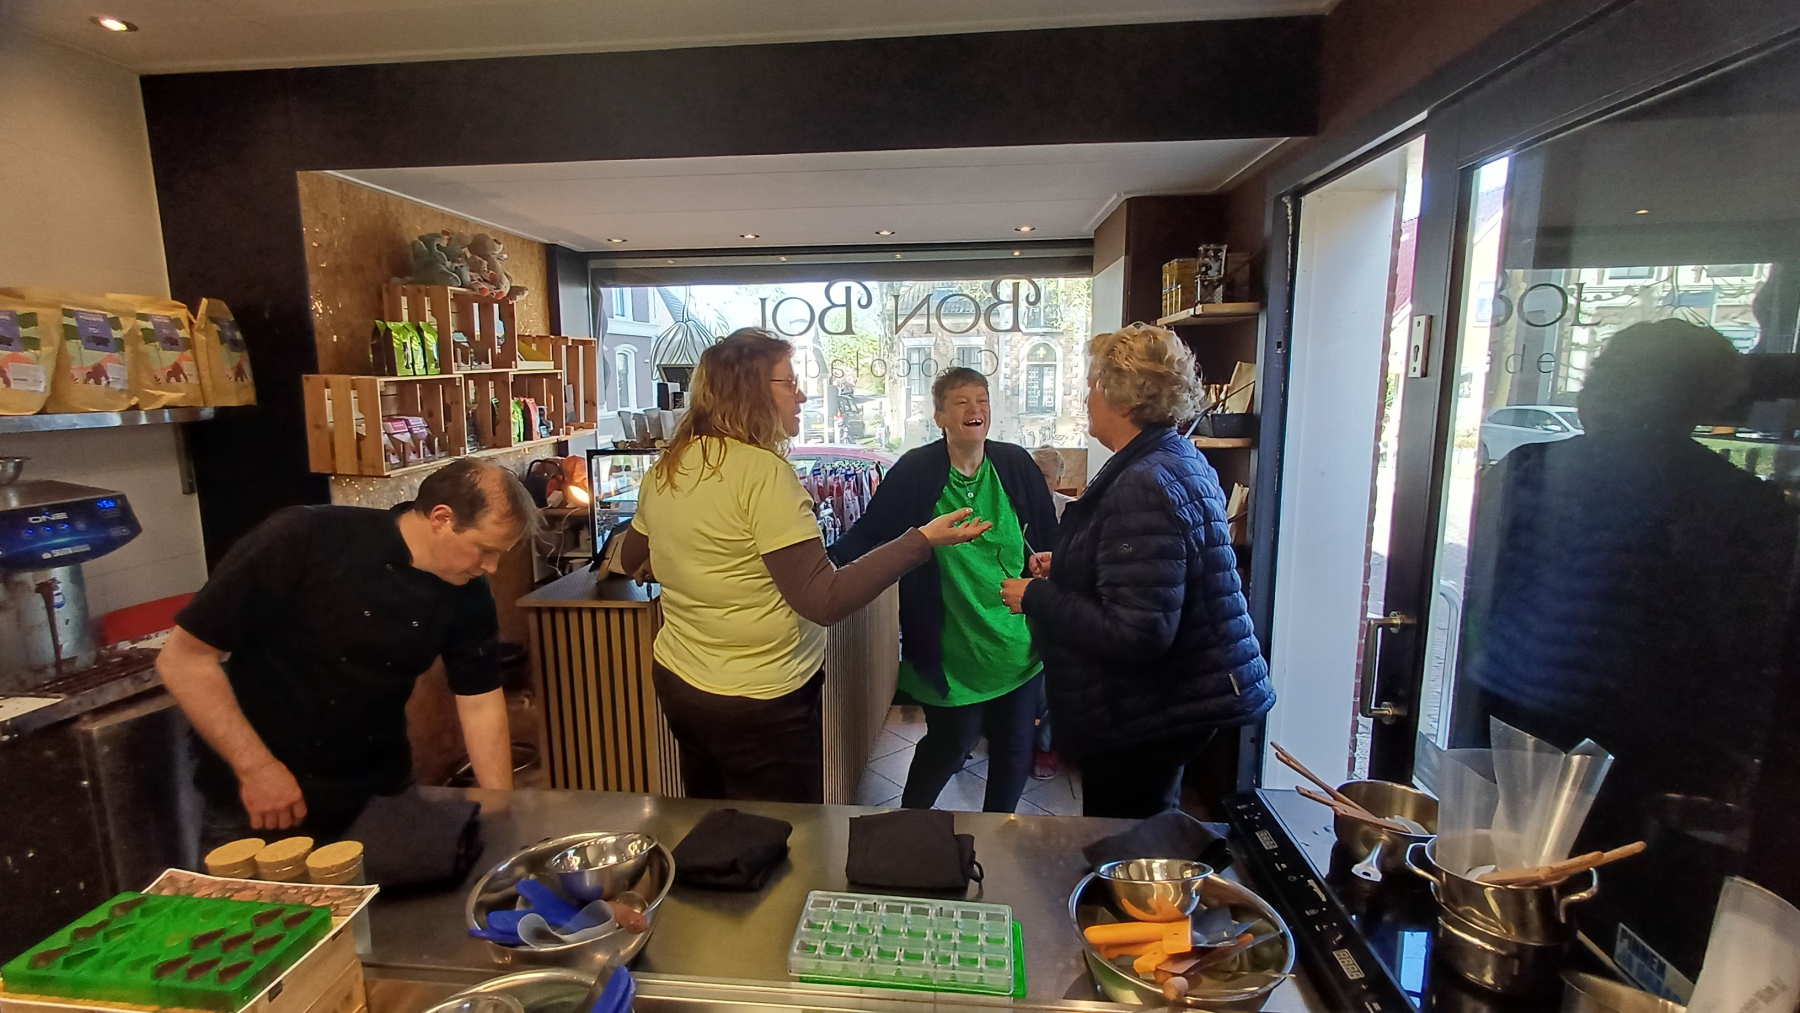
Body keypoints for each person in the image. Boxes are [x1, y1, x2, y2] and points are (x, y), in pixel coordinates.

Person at [622, 329, 989, 803]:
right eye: (789, 383)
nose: (802, 395)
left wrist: (691, 557)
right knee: (785, 833)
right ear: (750, 391)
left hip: (680, 681)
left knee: (712, 818)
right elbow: (823, 599)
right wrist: (921, 540)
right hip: (761, 699)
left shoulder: (670, 465)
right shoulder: (763, 474)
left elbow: (632, 557)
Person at [157, 459, 537, 845]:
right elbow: (184, 660)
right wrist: (256, 769)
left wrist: (498, 810)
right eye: (485, 549)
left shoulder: (469, 592)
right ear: (442, 518)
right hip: (260, 798)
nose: (492, 567)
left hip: (380, 796)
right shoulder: (302, 537)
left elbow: (480, 702)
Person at [1001, 322, 1272, 818]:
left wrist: (1035, 597)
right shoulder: (1174, 456)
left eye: (1090, 386)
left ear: (1120, 395)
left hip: (1149, 712)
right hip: (1176, 699)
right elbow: (1157, 569)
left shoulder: (1142, 482)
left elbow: (1137, 633)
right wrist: (1073, 564)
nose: (1085, 399)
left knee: (1123, 844)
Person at [831, 367, 1059, 812]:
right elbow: (870, 532)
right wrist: (826, 568)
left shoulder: (1015, 464)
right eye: (962, 401)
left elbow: (1049, 536)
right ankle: (908, 824)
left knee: (1015, 748)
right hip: (950, 650)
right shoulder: (916, 470)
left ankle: (997, 838)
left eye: (982, 400)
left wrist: (1047, 562)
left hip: (1017, 646)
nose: (975, 409)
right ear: (940, 417)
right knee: (950, 745)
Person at [1032, 447, 1077, 519]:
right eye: (1033, 473)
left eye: (1044, 475)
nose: (1036, 479)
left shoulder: (1071, 508)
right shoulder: (1017, 506)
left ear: (1057, 482)